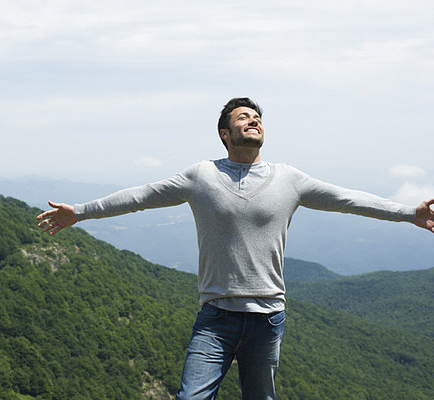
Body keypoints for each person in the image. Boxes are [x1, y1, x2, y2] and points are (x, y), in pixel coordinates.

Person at [36, 97, 434, 400]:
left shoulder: (288, 178)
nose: (254, 120)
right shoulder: (201, 175)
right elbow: (142, 195)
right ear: (225, 134)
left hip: (268, 319)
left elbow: (347, 199)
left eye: (256, 117)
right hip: (216, 318)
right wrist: (81, 212)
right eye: (243, 117)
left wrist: (407, 213)